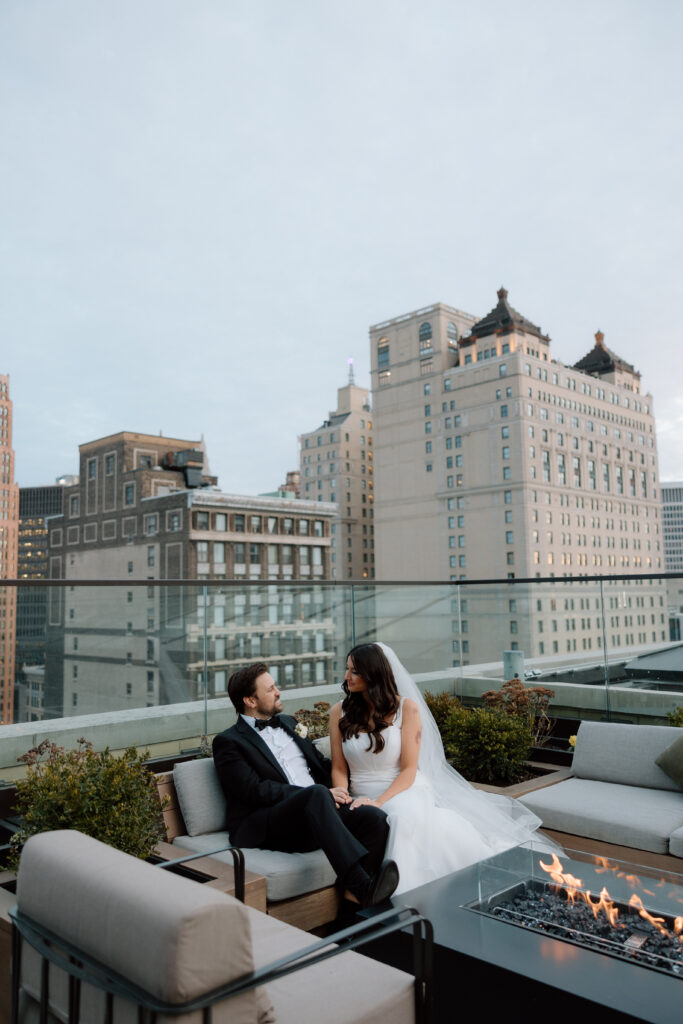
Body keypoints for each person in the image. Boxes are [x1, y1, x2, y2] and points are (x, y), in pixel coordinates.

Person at [329, 642, 548, 895]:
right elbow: (339, 767)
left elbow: (409, 770)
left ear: (373, 673)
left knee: (400, 816)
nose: (347, 677)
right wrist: (342, 794)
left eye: (354, 671)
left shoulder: (406, 709)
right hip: (359, 793)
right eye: (346, 670)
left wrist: (379, 802)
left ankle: (406, 896)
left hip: (402, 788)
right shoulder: (339, 712)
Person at [212, 661, 399, 907]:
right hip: (271, 824)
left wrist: (352, 791)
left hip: (317, 814)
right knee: (317, 794)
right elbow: (254, 790)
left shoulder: (289, 723)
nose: (278, 692)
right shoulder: (228, 742)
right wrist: (316, 794)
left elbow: (321, 765)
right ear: (250, 701)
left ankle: (353, 909)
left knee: (373, 818)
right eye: (270, 689)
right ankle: (362, 885)